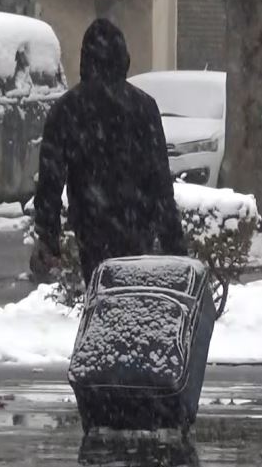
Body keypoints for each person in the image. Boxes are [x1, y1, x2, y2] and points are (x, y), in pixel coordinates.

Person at [31, 18, 186, 285]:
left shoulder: (67, 110)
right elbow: (161, 183)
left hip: (91, 226)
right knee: (134, 298)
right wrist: (174, 244)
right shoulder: (144, 108)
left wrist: (48, 236)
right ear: (124, 59)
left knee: (102, 295)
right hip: (138, 224)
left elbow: (50, 182)